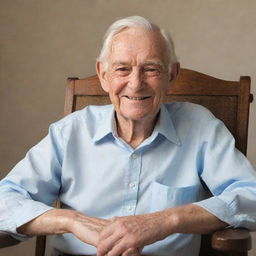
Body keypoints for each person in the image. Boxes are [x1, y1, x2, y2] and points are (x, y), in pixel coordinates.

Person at [0, 16, 256, 256]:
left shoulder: (201, 127)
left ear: (172, 75)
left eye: (151, 69)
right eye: (122, 69)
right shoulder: (70, 132)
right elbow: (4, 201)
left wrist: (165, 221)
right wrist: (72, 221)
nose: (135, 83)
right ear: (103, 75)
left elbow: (251, 197)